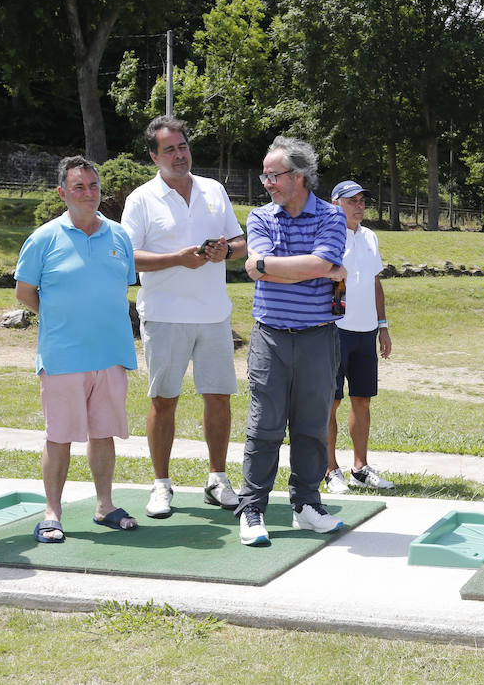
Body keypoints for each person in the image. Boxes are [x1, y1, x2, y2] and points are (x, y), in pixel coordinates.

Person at [121, 116, 246, 519]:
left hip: (213, 315)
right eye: (169, 149)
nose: (179, 154)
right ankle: (161, 485)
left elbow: (240, 241)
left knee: (219, 398)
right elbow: (128, 255)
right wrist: (177, 259)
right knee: (163, 401)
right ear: (154, 156)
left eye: (183, 146)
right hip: (164, 316)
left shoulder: (214, 189)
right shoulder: (141, 199)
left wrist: (224, 252)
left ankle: (217, 479)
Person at [15, 156, 139, 542]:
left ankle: (105, 506)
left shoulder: (119, 236)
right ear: (62, 192)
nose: (88, 194)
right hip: (63, 356)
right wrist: (59, 319)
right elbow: (25, 292)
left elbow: (122, 287)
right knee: (60, 435)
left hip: (111, 353)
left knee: (104, 434)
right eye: (79, 187)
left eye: (94, 186)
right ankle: (52, 512)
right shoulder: (43, 238)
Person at [237, 136, 349, 546]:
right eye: (265, 175)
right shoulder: (260, 218)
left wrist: (268, 265)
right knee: (264, 425)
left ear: (299, 177)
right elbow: (316, 266)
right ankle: (252, 509)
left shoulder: (332, 218)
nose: (266, 182)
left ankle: (306, 506)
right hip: (271, 338)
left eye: (273, 175)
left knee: (312, 426)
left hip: (319, 338)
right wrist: (318, 268)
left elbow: (318, 262)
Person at [323, 180, 395, 495]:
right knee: (331, 401)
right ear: (336, 203)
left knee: (362, 400)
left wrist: (383, 325)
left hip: (366, 332)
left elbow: (376, 284)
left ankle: (360, 468)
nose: (359, 205)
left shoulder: (370, 237)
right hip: (334, 331)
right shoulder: (326, 236)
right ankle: (329, 469)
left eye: (362, 200)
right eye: (352, 200)